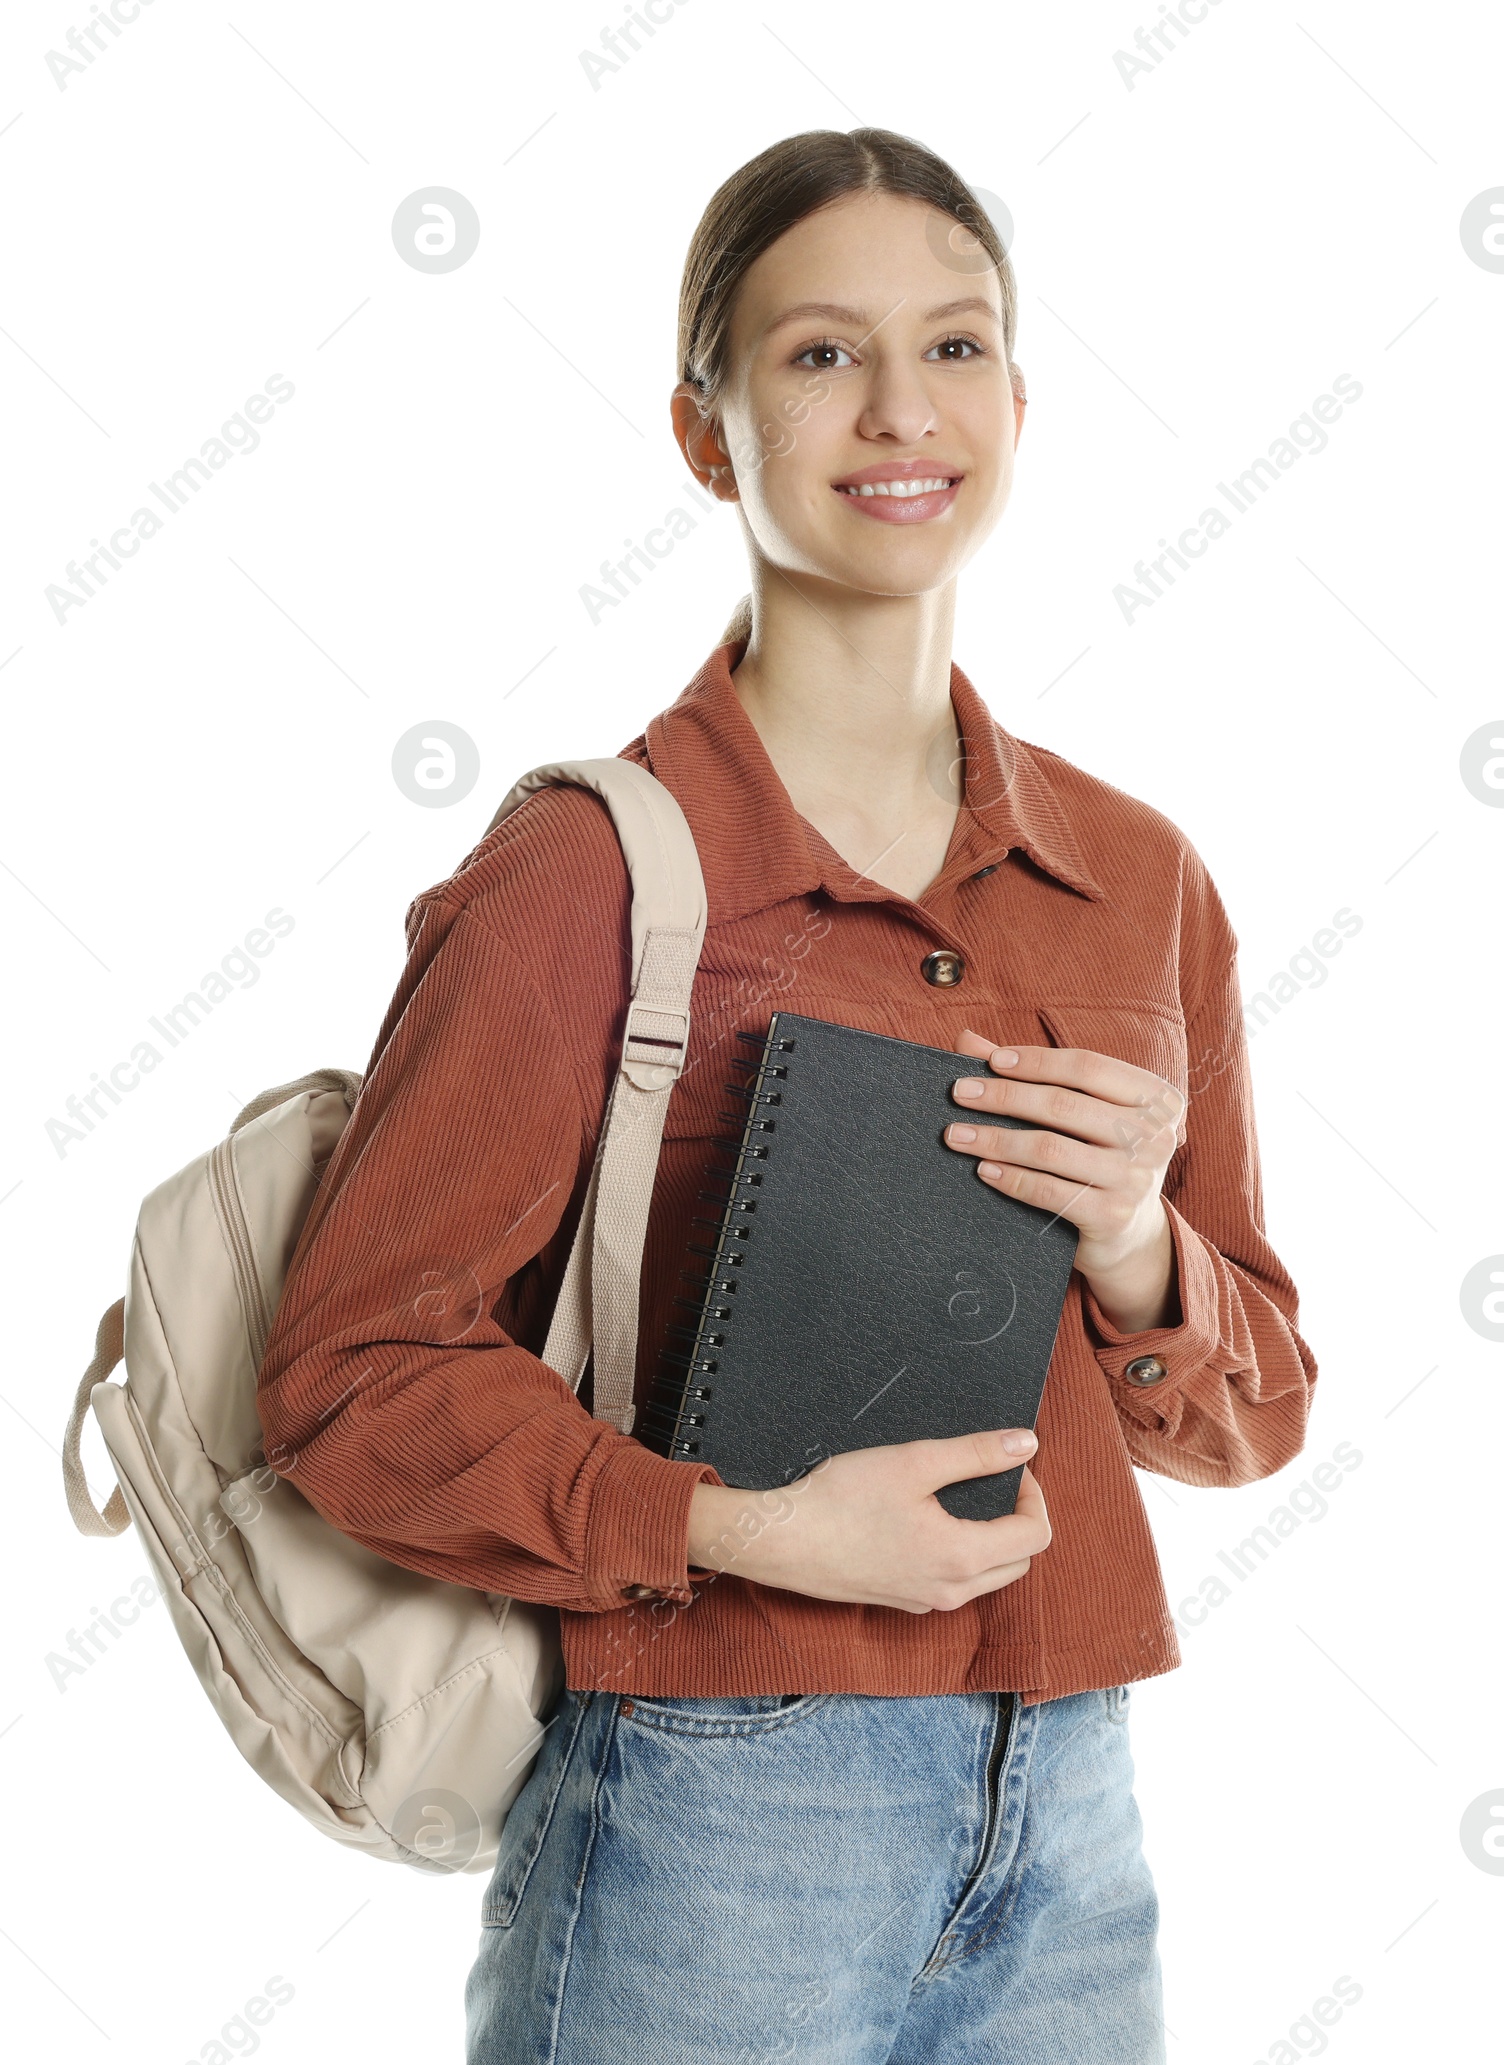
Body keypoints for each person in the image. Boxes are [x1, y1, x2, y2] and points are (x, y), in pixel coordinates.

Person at [255, 126, 1316, 2064]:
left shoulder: (1137, 879)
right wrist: (737, 1528)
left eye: (956, 347)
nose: (899, 409)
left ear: (1016, 397)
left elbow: (1258, 1406)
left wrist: (1138, 1247)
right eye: (819, 355)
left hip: (1071, 1809)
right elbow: (350, 1377)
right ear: (701, 428)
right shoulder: (583, 879)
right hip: (713, 1802)